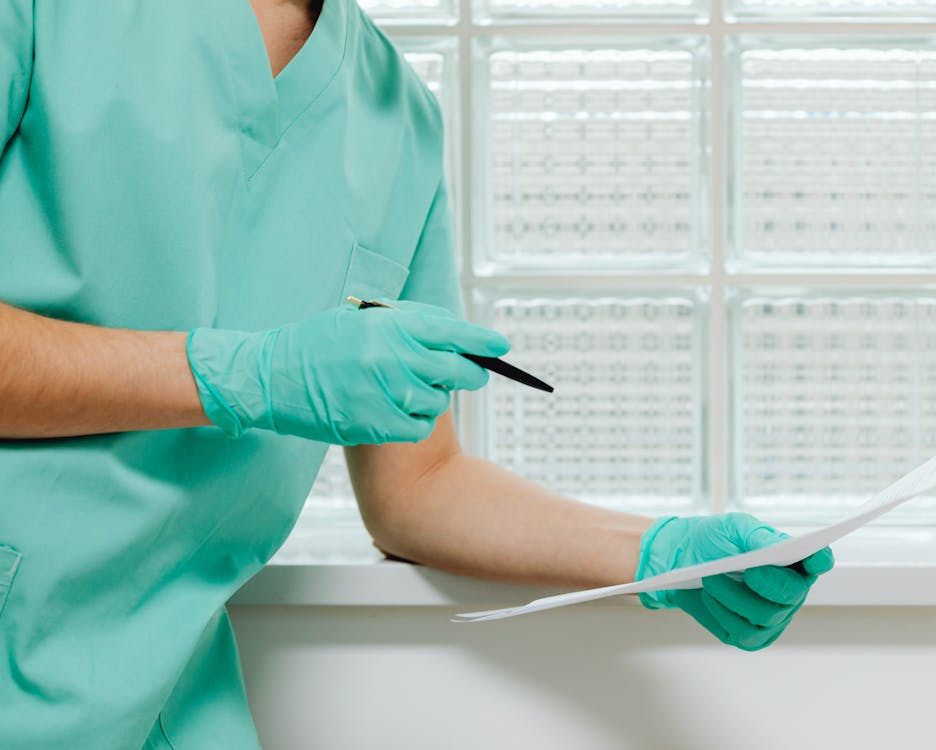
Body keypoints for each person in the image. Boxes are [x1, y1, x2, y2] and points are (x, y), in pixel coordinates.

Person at [0, 1, 834, 747]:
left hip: (157, 695)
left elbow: (418, 487)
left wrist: (659, 556)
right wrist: (248, 372)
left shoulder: (397, 117)